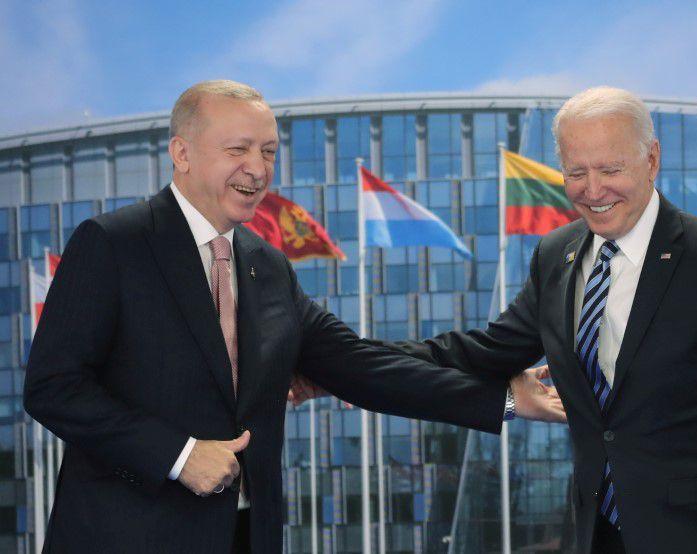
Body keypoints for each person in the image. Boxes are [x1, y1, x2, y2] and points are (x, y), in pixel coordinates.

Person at [23, 80, 565, 554]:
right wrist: (178, 455)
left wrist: (505, 398)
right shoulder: (113, 244)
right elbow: (54, 386)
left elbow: (363, 365)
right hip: (128, 536)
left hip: (246, 535)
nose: (258, 169)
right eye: (238, 149)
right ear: (181, 153)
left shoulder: (268, 266)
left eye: (268, 152)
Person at [294, 86, 697, 553]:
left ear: (652, 159)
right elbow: (477, 354)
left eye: (610, 169)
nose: (593, 190)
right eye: (576, 173)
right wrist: (339, 370)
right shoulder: (558, 254)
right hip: (594, 537)